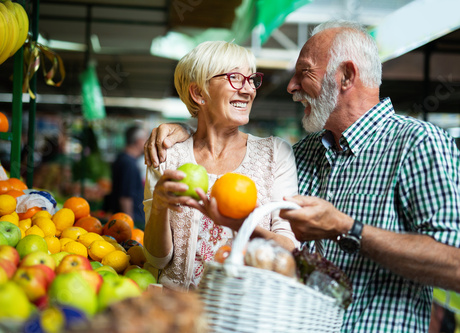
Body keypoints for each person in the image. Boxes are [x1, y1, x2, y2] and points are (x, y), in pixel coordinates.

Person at [143, 21, 460, 332]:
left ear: (346, 76)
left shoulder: (418, 144)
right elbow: (288, 251)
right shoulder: (304, 153)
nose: (291, 86)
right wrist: (182, 131)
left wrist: (348, 230)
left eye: (304, 72)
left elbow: (454, 265)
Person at [142, 41, 299, 292]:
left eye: (251, 79)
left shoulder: (275, 154)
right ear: (198, 93)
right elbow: (157, 259)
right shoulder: (168, 154)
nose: (248, 89)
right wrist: (160, 206)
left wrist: (240, 224)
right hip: (178, 315)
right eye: (235, 77)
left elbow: (289, 249)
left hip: (242, 314)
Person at [107, 125, 147, 229]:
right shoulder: (128, 163)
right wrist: (129, 225)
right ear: (138, 141)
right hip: (131, 221)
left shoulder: (123, 158)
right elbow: (125, 197)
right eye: (145, 139)